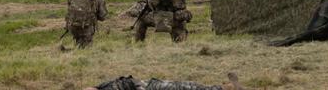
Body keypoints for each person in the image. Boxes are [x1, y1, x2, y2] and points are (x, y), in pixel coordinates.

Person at [87, 72, 242, 90]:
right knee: (185, 88)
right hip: (148, 88)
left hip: (147, 84)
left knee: (186, 85)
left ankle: (227, 87)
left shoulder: (101, 86)